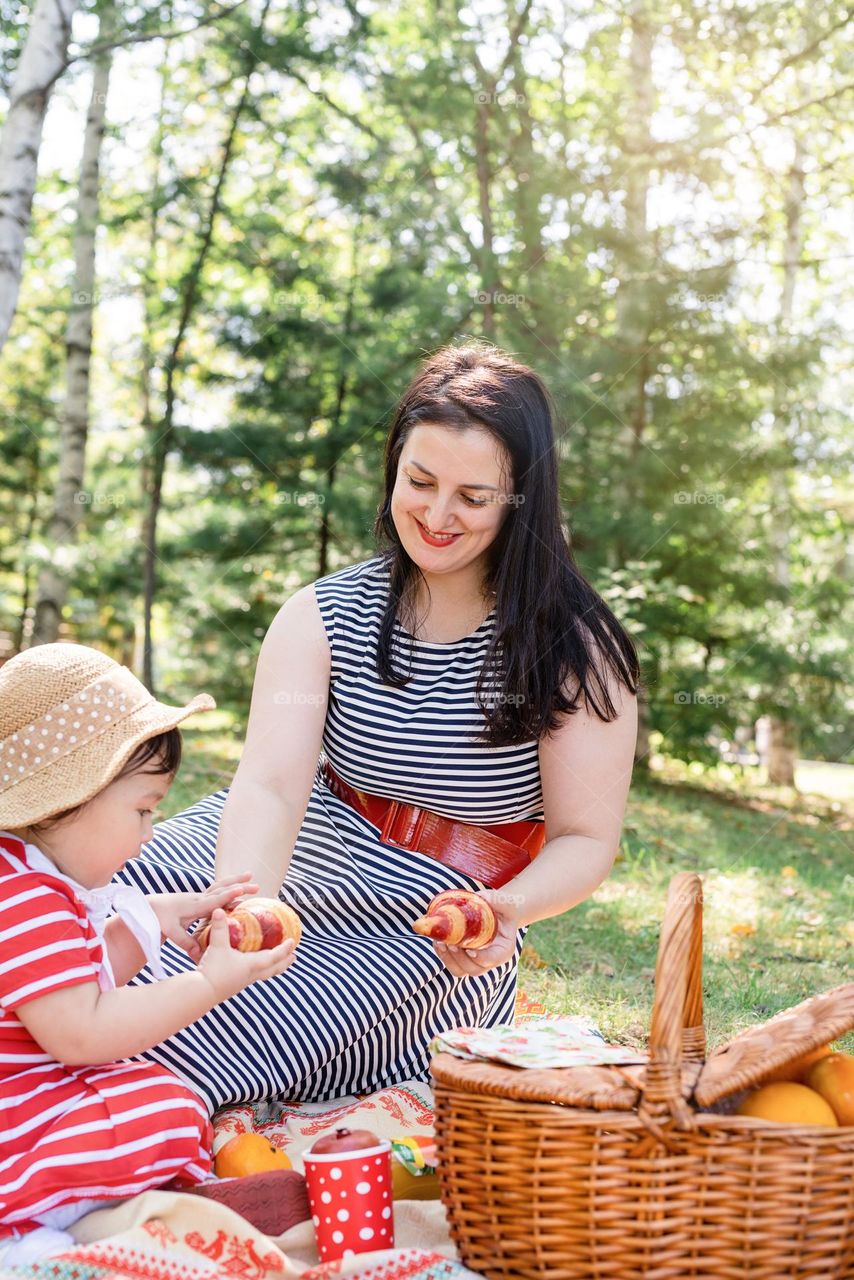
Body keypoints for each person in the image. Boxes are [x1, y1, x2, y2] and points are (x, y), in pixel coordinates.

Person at [116, 342, 641, 1111]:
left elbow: (585, 839)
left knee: (192, 1026)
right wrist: (245, 903)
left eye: (472, 496)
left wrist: (509, 910)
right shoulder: (322, 615)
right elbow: (269, 787)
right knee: (75, 914)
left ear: (520, 499)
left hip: (429, 923)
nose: (437, 515)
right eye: (420, 482)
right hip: (283, 848)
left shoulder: (574, 649)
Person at [0, 644, 296, 1264]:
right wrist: (208, 985)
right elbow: (82, 1032)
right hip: (18, 1113)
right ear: (71, 797)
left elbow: (81, 976)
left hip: (28, 1091)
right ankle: (28, 1230)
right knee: (163, 1108)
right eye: (142, 810)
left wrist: (156, 919)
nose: (150, 833)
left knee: (160, 1094)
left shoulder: (28, 877)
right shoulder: (27, 899)